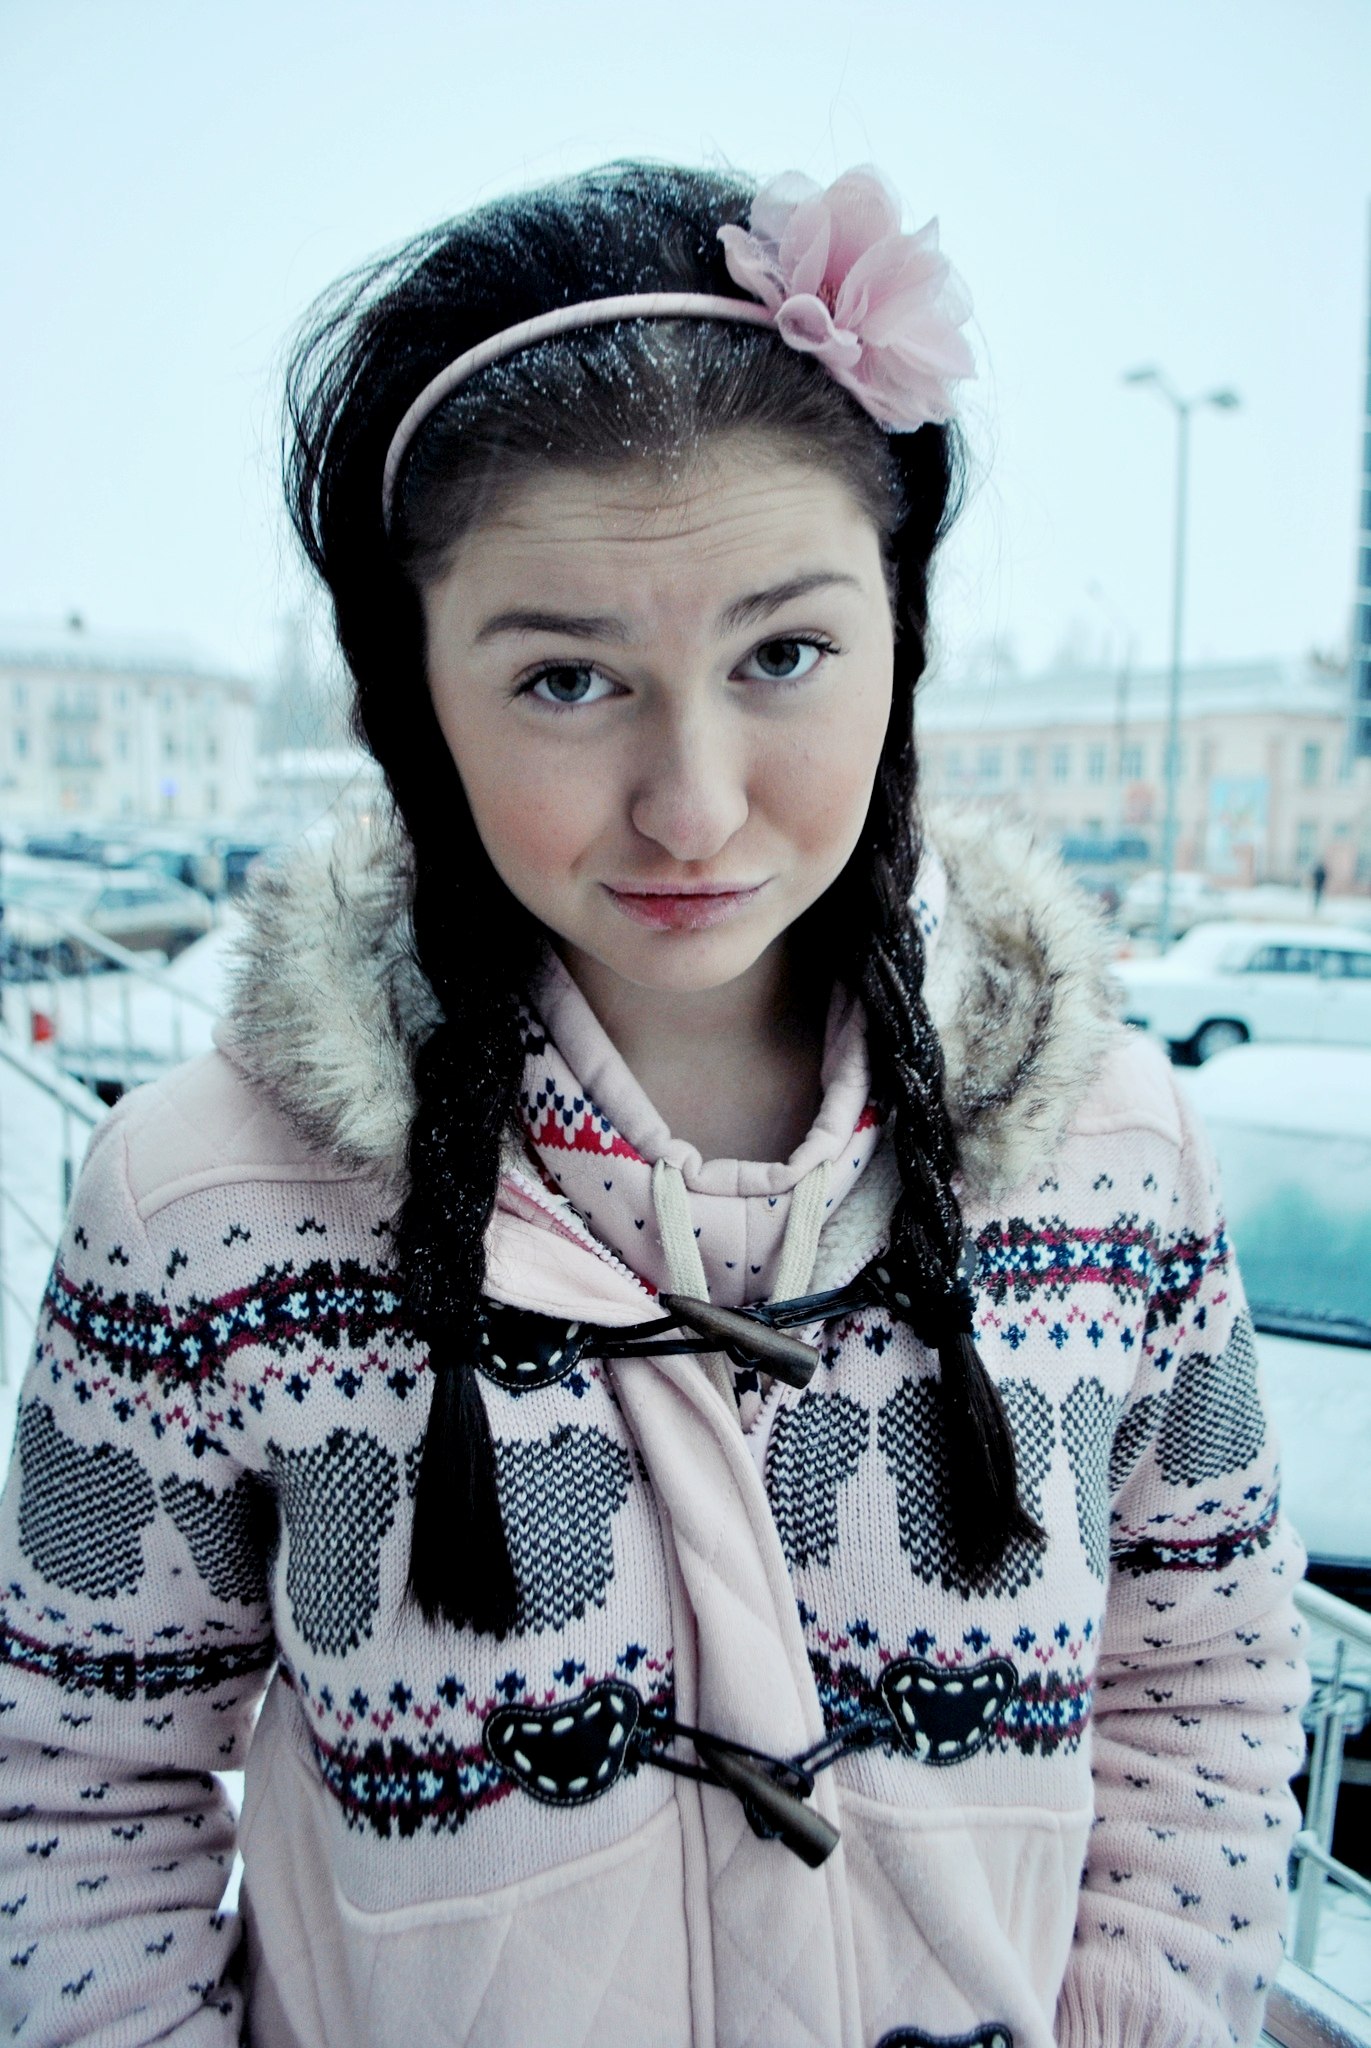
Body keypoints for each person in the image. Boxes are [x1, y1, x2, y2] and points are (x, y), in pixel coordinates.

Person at [0, 162, 1306, 2048]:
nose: (693, 804)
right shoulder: (204, 1206)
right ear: (411, 699)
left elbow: (1202, 1688)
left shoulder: (1112, 1152)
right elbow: (68, 1794)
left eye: (784, 654)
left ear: (902, 639)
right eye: (565, 679)